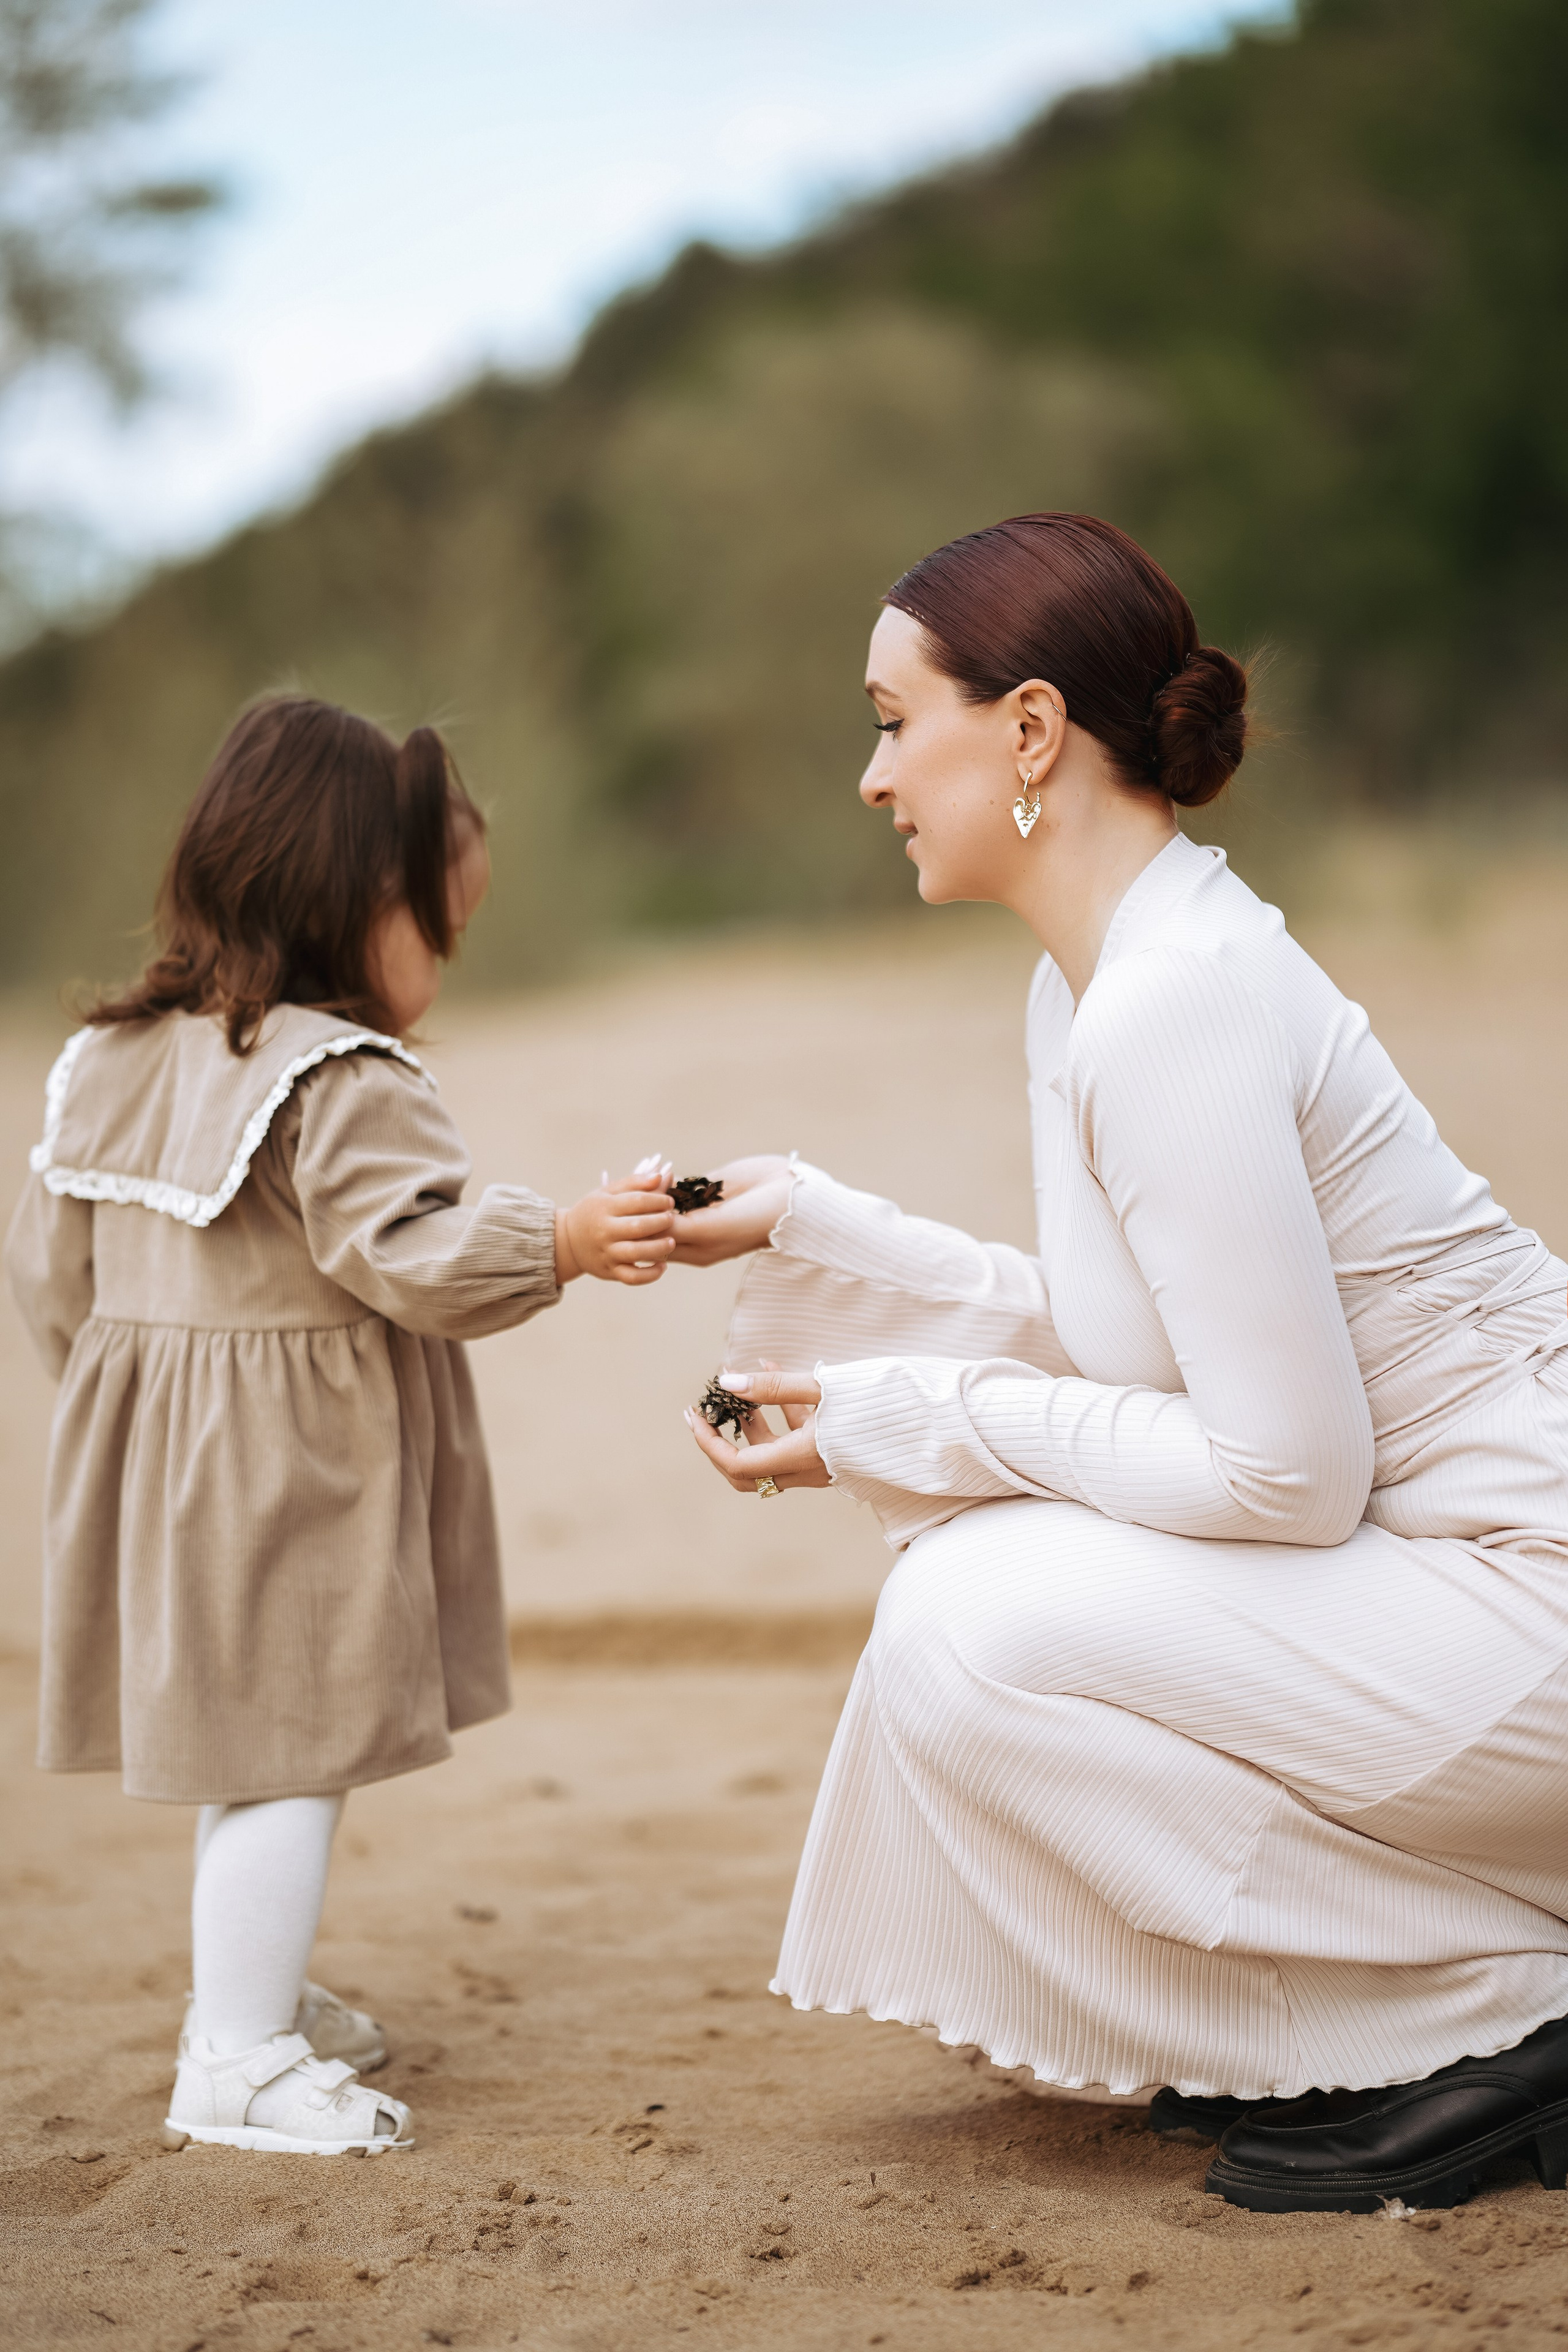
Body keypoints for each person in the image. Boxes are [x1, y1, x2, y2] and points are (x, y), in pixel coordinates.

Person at [674, 513, 1568, 2215]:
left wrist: (917, 1416)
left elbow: (1286, 1476)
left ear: (1028, 731)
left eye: (891, 722)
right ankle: (1431, 2006)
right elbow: (1140, 1341)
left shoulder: (1171, 1001)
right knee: (970, 1589)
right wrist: (823, 1232)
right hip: (1464, 1587)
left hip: (1534, 1599)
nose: (872, 777)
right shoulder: (1105, 981)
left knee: (972, 1615)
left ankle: (1505, 2016)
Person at [5, 696, 676, 2156]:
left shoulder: (109, 1058)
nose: (438, 974)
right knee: (293, 1755)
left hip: (163, 1465)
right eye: (439, 932)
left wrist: (135, 1425)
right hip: (292, 1473)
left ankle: (243, 1994)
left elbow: (49, 1278)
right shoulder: (340, 1078)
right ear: (359, 901)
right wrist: (562, 1240)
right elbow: (410, 1258)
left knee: (250, 1749)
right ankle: (237, 2059)